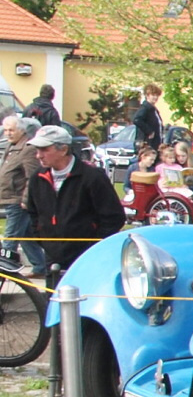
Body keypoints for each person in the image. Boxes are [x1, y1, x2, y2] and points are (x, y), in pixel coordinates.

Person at [22, 126, 125, 273]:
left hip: (87, 258)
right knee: (54, 288)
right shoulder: (37, 178)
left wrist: (94, 245)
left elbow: (114, 217)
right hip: (52, 257)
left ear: (63, 149)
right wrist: (44, 241)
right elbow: (33, 213)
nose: (39, 155)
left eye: (44, 149)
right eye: (37, 150)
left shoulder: (92, 177)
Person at [1, 115, 46, 275]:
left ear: (21, 131)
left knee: (10, 239)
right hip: (9, 198)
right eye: (6, 130)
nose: (8, 133)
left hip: (18, 201)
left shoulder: (28, 149)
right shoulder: (11, 146)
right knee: (26, 237)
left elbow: (32, 178)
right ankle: (41, 267)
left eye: (11, 130)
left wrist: (26, 200)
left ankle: (4, 271)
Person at [132, 82, 164, 152]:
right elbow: (136, 119)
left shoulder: (153, 110)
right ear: (147, 95)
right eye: (153, 95)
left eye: (157, 95)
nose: (155, 97)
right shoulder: (145, 108)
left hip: (154, 145)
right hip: (147, 145)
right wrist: (149, 131)